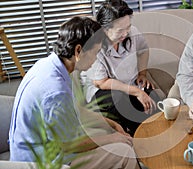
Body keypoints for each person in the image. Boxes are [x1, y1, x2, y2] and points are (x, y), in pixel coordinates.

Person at [9, 16, 141, 169]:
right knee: (125, 152)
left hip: (40, 148)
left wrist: (112, 124)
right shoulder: (55, 91)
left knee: (115, 140)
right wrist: (112, 138)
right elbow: (69, 145)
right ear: (78, 50)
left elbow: (75, 110)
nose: (95, 59)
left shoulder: (50, 65)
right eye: (95, 52)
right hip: (40, 163)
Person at [80, 0, 160, 136]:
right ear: (105, 29)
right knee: (123, 103)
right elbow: (102, 82)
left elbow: (143, 50)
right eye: (120, 31)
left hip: (130, 83)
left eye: (128, 27)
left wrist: (142, 74)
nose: (126, 33)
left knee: (155, 103)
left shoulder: (131, 32)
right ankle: (141, 139)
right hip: (104, 90)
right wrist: (136, 92)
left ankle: (160, 134)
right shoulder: (95, 45)